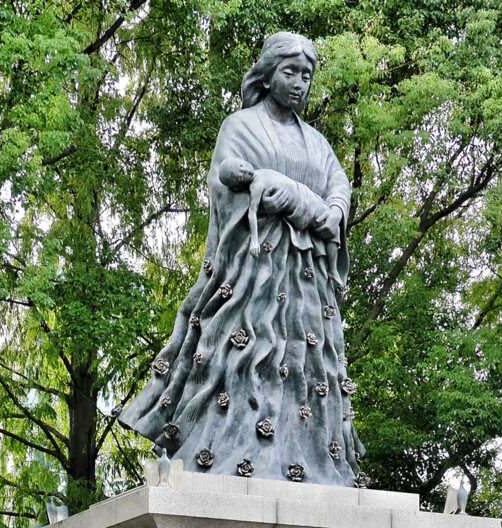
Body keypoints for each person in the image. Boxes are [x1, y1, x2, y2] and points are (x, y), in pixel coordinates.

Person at [119, 32, 367, 487]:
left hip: (308, 282)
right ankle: (223, 454)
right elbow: (225, 177)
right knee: (244, 356)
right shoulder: (240, 125)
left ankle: (311, 459)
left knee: (310, 366)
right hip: (255, 274)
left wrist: (321, 208)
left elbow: (338, 193)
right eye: (289, 72)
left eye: (306, 75)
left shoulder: (317, 142)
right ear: (268, 74)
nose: (298, 83)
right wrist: (258, 185)